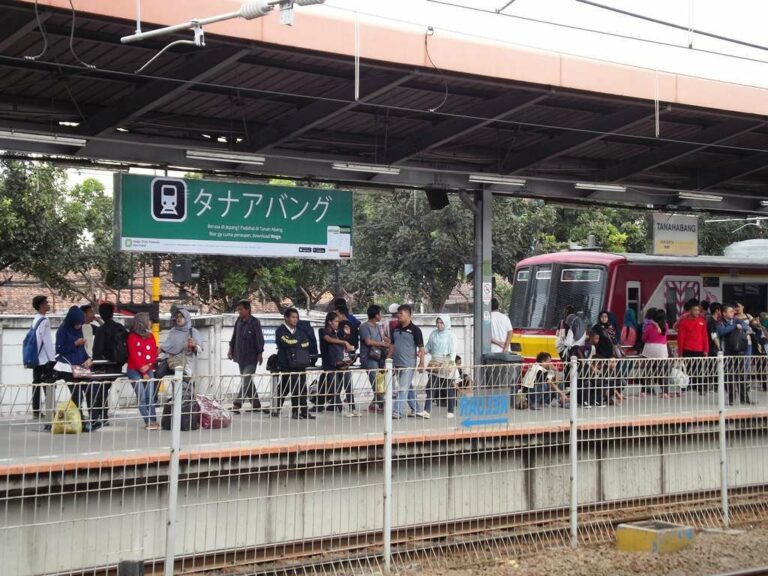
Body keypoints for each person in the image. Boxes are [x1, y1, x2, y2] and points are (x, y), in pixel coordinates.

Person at [91, 302, 129, 426]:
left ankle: (100, 416)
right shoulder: (119, 327)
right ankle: (103, 416)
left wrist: (96, 365)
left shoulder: (101, 330)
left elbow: (97, 350)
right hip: (117, 365)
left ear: (101, 314)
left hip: (103, 366)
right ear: (112, 313)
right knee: (104, 389)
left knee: (99, 390)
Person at [274, 308, 315, 420]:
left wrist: (296, 343)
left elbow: (307, 343)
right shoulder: (280, 331)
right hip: (287, 364)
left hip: (299, 363)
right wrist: (298, 343)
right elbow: (286, 342)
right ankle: (294, 411)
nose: (295, 319)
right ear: (286, 318)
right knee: (292, 387)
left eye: (297, 317)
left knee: (301, 388)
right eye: (293, 317)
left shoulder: (300, 331)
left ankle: (303, 411)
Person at [55, 305, 93, 420]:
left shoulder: (79, 329)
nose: (79, 326)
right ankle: (78, 418)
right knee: (76, 393)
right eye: (77, 323)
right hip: (68, 366)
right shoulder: (62, 330)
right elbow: (59, 349)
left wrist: (88, 358)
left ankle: (93, 417)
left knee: (90, 390)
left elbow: (82, 348)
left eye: (81, 323)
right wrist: (74, 344)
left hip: (81, 365)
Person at [228, 299, 265, 414]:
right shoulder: (238, 321)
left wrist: (260, 354)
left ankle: (237, 404)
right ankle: (256, 404)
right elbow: (234, 337)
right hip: (240, 356)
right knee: (247, 381)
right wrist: (230, 349)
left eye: (241, 309)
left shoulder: (254, 322)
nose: (239, 311)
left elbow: (259, 339)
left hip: (251, 357)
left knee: (245, 380)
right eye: (238, 309)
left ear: (248, 309)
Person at [389, 304, 426, 419]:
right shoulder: (395, 329)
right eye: (398, 313)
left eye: (401, 313)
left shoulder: (415, 330)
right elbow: (392, 346)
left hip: (408, 364)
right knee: (407, 387)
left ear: (409, 315)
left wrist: (421, 363)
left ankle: (397, 411)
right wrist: (388, 359)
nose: (398, 315)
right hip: (397, 363)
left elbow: (421, 348)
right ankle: (416, 409)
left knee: (402, 388)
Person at [127, 313, 159, 430]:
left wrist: (149, 364)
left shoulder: (150, 336)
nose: (150, 323)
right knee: (142, 396)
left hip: (148, 368)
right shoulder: (132, 337)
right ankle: (147, 421)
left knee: (150, 396)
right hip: (134, 370)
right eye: (148, 320)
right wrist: (142, 370)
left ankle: (153, 420)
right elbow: (133, 354)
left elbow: (153, 352)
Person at [717, 304, 753, 405]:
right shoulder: (720, 322)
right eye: (730, 311)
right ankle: (731, 398)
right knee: (729, 376)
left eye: (733, 311)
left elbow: (747, 328)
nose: (733, 313)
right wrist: (734, 327)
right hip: (727, 353)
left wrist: (743, 327)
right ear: (724, 313)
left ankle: (744, 398)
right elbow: (721, 331)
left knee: (741, 375)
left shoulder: (737, 320)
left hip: (739, 351)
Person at [424, 315, 457, 419]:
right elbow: (428, 346)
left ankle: (450, 410)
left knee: (448, 388)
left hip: (447, 362)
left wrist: (451, 363)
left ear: (446, 323)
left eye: (441, 322)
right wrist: (422, 351)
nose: (439, 325)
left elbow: (453, 351)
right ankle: (426, 411)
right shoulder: (433, 334)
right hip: (435, 362)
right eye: (437, 322)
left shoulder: (451, 335)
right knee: (431, 387)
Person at [359, 305, 390, 412]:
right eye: (380, 313)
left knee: (381, 381)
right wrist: (383, 344)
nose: (381, 315)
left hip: (379, 357)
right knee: (376, 381)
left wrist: (390, 342)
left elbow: (383, 337)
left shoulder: (378, 326)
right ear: (376, 315)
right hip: (369, 357)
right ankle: (382, 403)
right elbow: (368, 341)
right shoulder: (364, 327)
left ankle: (374, 403)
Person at [160, 308, 205, 380]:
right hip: (170, 364)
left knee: (183, 383)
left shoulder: (192, 332)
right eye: (177, 317)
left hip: (184, 366)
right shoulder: (173, 331)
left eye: (181, 316)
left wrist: (194, 346)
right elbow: (166, 347)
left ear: (186, 318)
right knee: (160, 376)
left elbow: (199, 349)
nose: (179, 318)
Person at [30, 295, 56, 420]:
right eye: (46, 302)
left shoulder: (36, 319)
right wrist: (52, 358)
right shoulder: (44, 321)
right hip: (44, 358)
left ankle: (36, 411)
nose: (48, 304)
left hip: (36, 358)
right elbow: (45, 342)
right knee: (48, 384)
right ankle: (50, 410)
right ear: (41, 305)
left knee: (36, 383)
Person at [676, 299, 709, 395]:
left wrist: (706, 350)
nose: (697, 312)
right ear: (689, 310)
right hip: (687, 349)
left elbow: (705, 336)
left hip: (699, 349)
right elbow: (681, 338)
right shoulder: (683, 322)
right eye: (695, 310)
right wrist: (680, 353)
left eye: (698, 310)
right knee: (687, 369)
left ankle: (700, 388)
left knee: (700, 370)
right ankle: (685, 387)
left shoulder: (702, 321)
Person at [642, 308, 670, 397]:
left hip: (649, 349)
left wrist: (654, 324)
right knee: (663, 372)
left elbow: (644, 338)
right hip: (662, 350)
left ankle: (644, 391)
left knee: (647, 371)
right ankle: (665, 392)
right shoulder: (666, 326)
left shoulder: (649, 327)